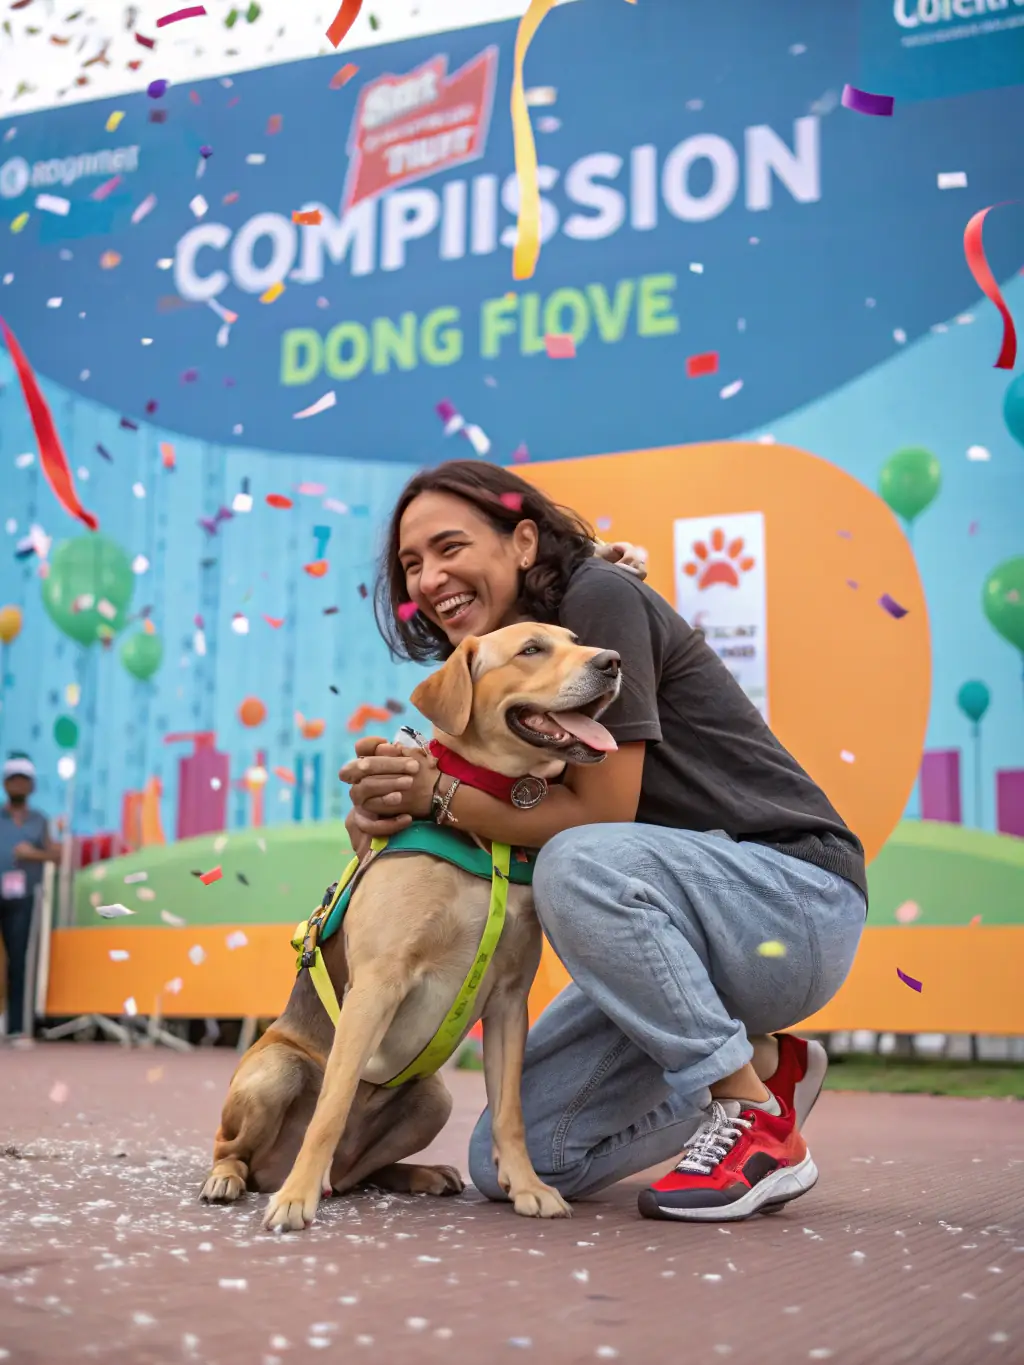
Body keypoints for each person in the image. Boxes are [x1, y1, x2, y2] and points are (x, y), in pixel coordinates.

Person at [340, 461, 867, 1222]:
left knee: (578, 859)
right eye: (412, 565)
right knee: (516, 1157)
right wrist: (390, 805)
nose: (429, 578)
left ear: (523, 541)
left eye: (449, 547)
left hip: (792, 898)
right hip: (688, 932)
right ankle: (765, 1066)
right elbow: (480, 799)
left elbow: (602, 816)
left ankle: (751, 1121)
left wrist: (441, 795)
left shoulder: (600, 601)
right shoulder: (503, 680)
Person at [0, 754, 59, 1044]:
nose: (18, 785)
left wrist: (31, 854)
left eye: (23, 780)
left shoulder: (39, 822)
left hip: (22, 901)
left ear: (31, 786)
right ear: (5, 783)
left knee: (19, 962)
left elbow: (57, 854)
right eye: (13, 779)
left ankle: (15, 1027)